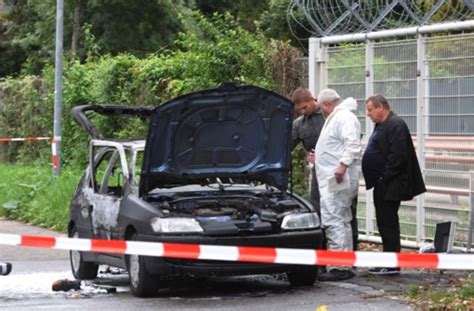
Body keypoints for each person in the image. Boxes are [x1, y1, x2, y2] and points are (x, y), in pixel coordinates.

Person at [362, 94, 426, 275]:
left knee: (389, 222)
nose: (368, 114)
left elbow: (398, 155)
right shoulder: (382, 125)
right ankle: (387, 259)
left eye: (370, 109)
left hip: (391, 183)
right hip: (382, 182)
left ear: (380, 107)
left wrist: (384, 177)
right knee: (383, 222)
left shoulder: (396, 124)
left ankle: (392, 263)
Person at [315, 89, 361, 281]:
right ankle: (345, 262)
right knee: (342, 218)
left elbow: (352, 145)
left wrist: (342, 166)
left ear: (326, 105)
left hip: (337, 178)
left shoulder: (343, 118)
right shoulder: (340, 117)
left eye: (321, 108)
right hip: (334, 176)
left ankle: (338, 265)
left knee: (333, 217)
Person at [291, 87, 325, 215]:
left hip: (337, 169)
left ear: (312, 99)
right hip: (318, 170)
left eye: (304, 107)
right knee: (316, 204)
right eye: (299, 109)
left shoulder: (329, 113)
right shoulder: (299, 124)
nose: (302, 112)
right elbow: (286, 147)